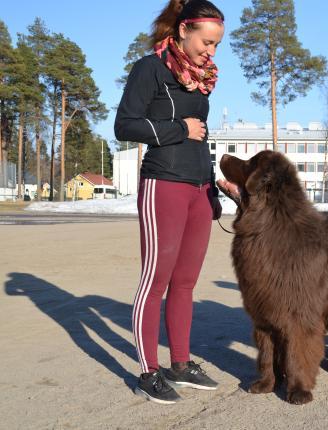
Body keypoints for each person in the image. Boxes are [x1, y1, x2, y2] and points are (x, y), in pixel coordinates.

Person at [114, 0, 224, 404]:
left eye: (216, 46)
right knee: (155, 282)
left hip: (197, 188)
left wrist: (211, 186)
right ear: (183, 31)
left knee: (186, 283)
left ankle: (181, 363)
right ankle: (148, 371)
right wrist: (178, 127)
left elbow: (202, 136)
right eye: (206, 43)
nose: (210, 52)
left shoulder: (201, 78)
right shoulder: (150, 68)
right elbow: (124, 124)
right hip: (163, 184)